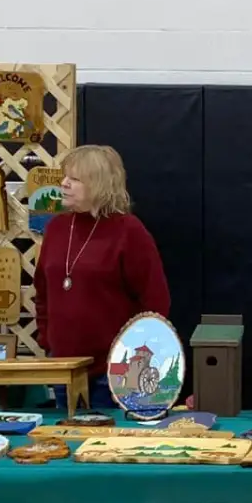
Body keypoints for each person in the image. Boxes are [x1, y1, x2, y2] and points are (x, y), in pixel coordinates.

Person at [32, 144, 171, 411]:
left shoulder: (128, 231)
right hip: (63, 365)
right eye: (65, 177)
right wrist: (47, 340)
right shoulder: (57, 228)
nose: (64, 184)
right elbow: (43, 291)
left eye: (74, 179)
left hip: (115, 370)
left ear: (98, 184)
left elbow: (155, 302)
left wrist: (133, 358)